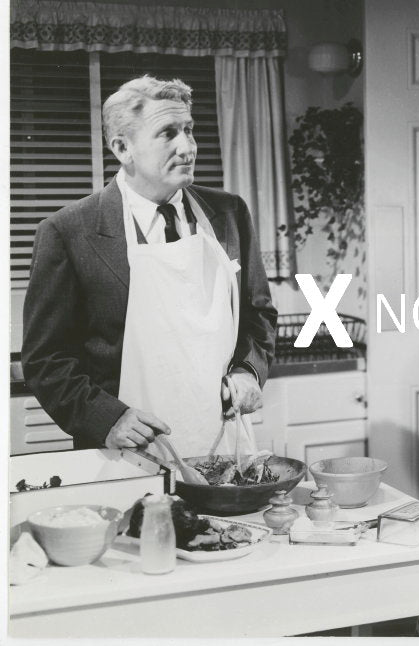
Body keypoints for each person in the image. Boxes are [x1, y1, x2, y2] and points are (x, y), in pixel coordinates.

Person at [22, 75, 277, 461]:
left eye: (189, 130)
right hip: (126, 450)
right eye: (168, 133)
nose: (187, 147)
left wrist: (248, 371)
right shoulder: (68, 232)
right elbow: (46, 360)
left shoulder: (229, 214)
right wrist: (107, 419)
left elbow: (259, 314)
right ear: (122, 147)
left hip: (223, 440)